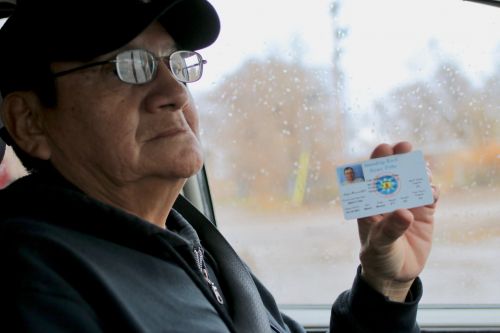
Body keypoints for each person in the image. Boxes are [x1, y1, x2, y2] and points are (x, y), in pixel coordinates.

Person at [0, 0, 439, 332]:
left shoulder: (190, 243)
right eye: (126, 67)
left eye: (174, 63)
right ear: (30, 121)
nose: (173, 91)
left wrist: (385, 287)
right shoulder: (32, 278)